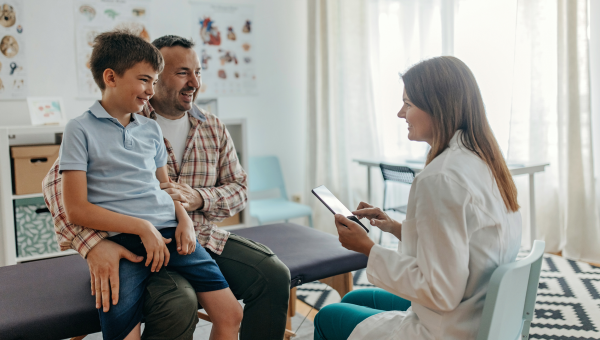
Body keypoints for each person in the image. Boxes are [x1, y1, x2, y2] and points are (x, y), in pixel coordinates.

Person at [42, 34, 291, 340]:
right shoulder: (101, 124)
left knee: (273, 274)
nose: (194, 83)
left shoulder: (210, 127)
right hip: (135, 240)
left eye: (197, 72)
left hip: (196, 237)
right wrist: (94, 245)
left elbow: (239, 189)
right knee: (178, 302)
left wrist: (197, 200)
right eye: (183, 73)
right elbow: (58, 191)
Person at [313, 56, 522, 340]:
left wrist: (368, 249)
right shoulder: (484, 161)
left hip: (448, 327)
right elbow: (464, 242)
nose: (401, 114)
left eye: (408, 104)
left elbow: (441, 292)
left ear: (438, 108)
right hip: (477, 310)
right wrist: (396, 228)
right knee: (352, 299)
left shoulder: (440, 178)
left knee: (328, 316)